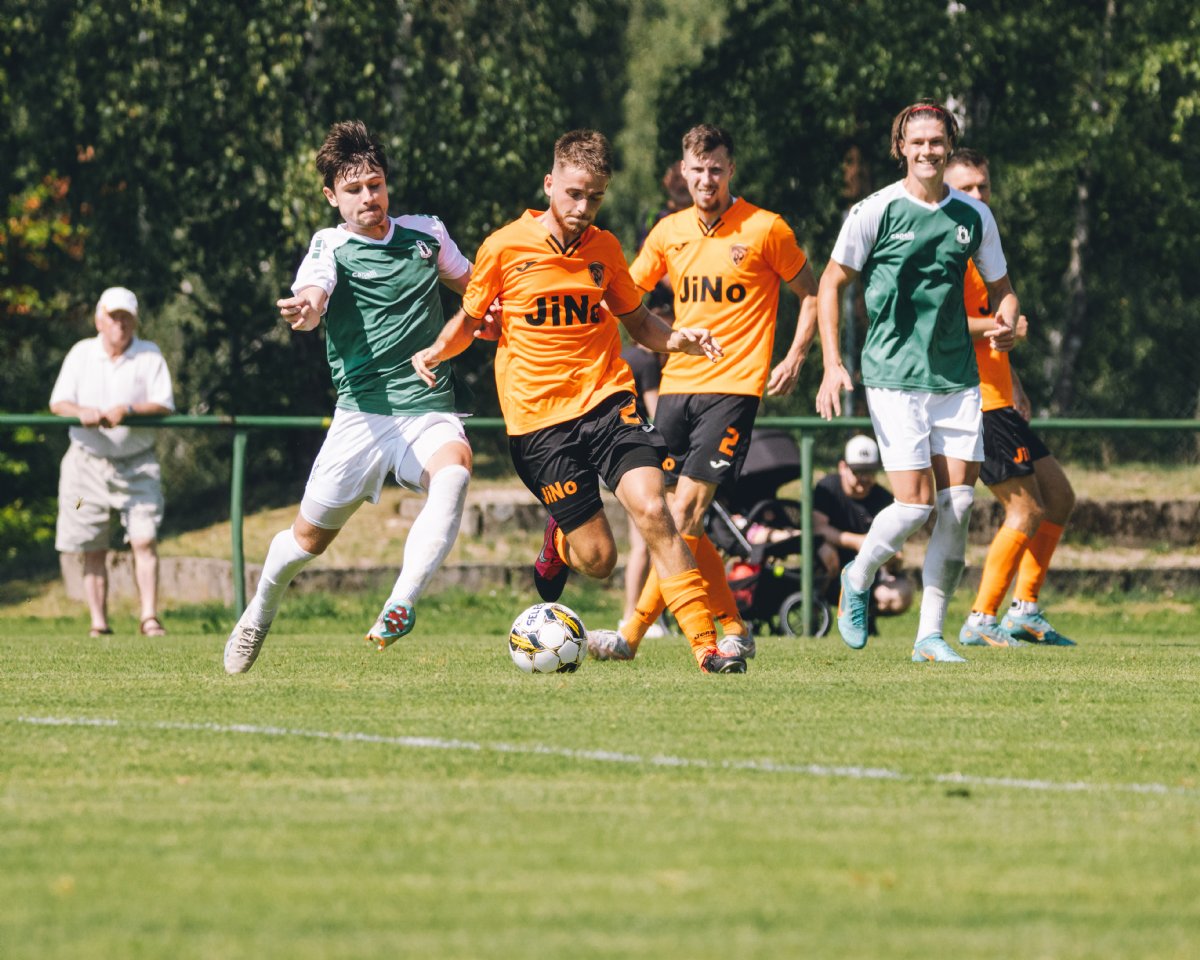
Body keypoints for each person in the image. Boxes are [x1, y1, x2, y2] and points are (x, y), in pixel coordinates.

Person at [413, 128, 746, 674]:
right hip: (538, 423)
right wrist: (435, 351)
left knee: (654, 509)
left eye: (595, 197)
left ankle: (706, 647)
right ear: (550, 184)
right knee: (599, 560)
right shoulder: (503, 246)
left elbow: (637, 321)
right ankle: (561, 538)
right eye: (573, 193)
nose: (583, 207)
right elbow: (470, 322)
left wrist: (676, 337)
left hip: (608, 401)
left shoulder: (606, 249)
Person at [223, 119, 478, 674]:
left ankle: (400, 603)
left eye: (377, 185)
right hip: (360, 418)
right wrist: (305, 309)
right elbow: (314, 296)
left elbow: (475, 287)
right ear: (331, 196)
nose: (370, 198)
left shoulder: (426, 234)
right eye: (355, 190)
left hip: (425, 407)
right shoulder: (329, 246)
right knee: (307, 541)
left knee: (455, 470)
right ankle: (259, 611)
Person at [592, 122, 819, 664]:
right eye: (697, 169)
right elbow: (625, 294)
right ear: (683, 171)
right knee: (666, 516)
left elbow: (811, 294)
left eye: (716, 168)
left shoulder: (766, 229)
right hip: (676, 387)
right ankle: (732, 622)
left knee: (687, 511)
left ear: (730, 170)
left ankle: (632, 635)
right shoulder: (669, 231)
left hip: (735, 388)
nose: (706, 179)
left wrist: (796, 356)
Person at [815, 99, 1018, 663]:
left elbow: (1003, 289)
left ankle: (929, 636)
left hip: (957, 378)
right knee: (914, 506)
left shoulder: (973, 216)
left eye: (936, 141)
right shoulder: (873, 212)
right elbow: (831, 282)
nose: (927, 151)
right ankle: (857, 576)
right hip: (893, 378)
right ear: (901, 147)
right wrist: (833, 363)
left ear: (948, 145)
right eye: (917, 142)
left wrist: (1006, 323)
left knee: (957, 508)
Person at [945, 149, 1077, 648]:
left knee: (1060, 497)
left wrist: (1014, 372)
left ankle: (1024, 610)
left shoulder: (986, 249)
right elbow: (946, 326)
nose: (978, 196)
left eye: (984, 186)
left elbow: (993, 330)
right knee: (1024, 511)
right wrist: (1004, 325)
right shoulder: (950, 252)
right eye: (967, 188)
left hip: (1001, 395)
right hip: (977, 402)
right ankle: (981, 618)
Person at [49, 286, 175, 638]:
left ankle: (149, 618)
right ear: (99, 319)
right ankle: (98, 623)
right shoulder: (81, 353)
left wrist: (129, 410)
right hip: (85, 463)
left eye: (126, 317)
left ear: (134, 321)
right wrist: (82, 412)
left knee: (144, 539)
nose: (120, 324)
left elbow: (164, 403)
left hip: (137, 463)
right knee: (92, 545)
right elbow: (59, 403)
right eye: (114, 316)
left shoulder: (149, 354)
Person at [811, 435, 915, 620]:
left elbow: (896, 550)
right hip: (830, 566)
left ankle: (865, 618)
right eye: (858, 471)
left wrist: (892, 559)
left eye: (870, 471)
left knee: (902, 594)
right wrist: (860, 542)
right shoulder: (828, 488)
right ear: (843, 467)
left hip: (868, 573)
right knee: (824, 551)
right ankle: (813, 611)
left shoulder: (884, 499)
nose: (864, 478)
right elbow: (818, 528)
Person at [619, 303, 667, 638]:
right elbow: (657, 411)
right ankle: (635, 616)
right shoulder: (647, 361)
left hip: (612, 452)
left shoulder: (621, 355)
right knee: (645, 544)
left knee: (640, 543)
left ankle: (633, 615)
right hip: (637, 456)